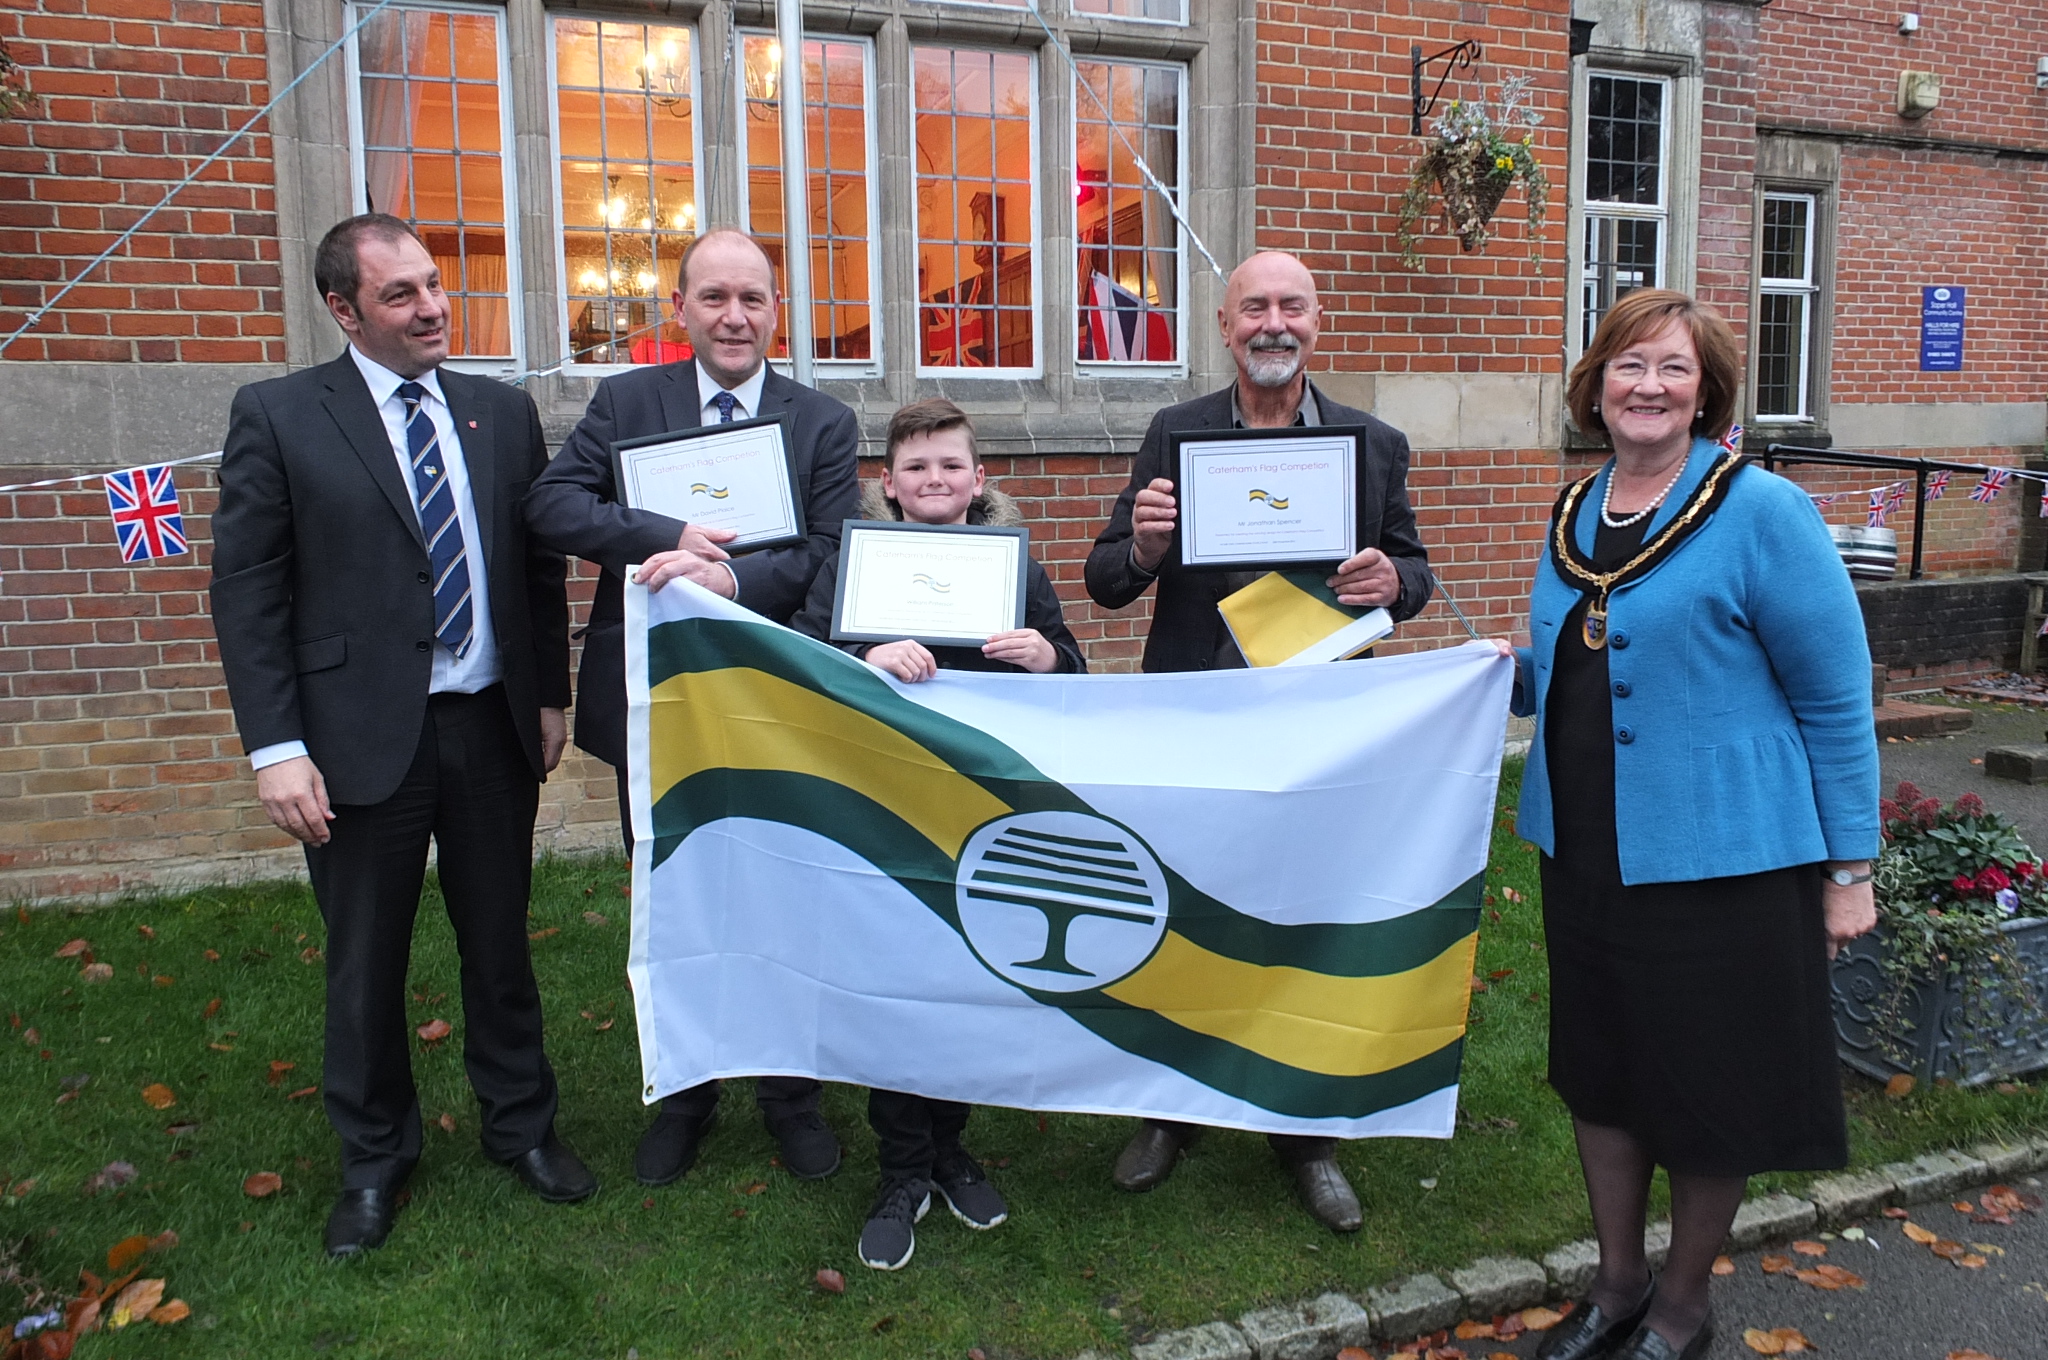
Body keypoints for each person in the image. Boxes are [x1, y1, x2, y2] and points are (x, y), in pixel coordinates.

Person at [210, 214, 592, 1258]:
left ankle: (522, 1127)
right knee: (365, 964)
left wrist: (547, 696)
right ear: (344, 311)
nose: (431, 307)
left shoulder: (499, 412)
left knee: (500, 944)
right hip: (352, 741)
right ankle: (376, 1159)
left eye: (433, 284)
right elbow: (247, 594)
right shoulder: (281, 416)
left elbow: (533, 566)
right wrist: (274, 747)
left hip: (487, 727)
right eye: (399, 295)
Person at [1506, 289, 1878, 1360]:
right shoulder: (1575, 507)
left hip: (1723, 858)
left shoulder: (1760, 511)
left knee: (1707, 1083)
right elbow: (1586, 659)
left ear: (1705, 389)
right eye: (1628, 365)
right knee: (1604, 1071)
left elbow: (1832, 695)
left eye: (1671, 368)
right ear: (1597, 384)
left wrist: (1847, 867)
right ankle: (1615, 1285)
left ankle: (1680, 1307)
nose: (1647, 386)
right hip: (1585, 854)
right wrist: (1503, 677)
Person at [1082, 249, 1435, 1233]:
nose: (1272, 322)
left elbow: (1412, 567)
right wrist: (1146, 546)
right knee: (1179, 914)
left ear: (1315, 320)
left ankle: (1304, 1132)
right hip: (1195, 724)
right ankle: (1171, 1109)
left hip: (1316, 733)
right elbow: (1105, 579)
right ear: (1224, 326)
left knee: (1303, 922)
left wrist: (1391, 586)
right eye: (1253, 308)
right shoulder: (1173, 433)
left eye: (1290, 305)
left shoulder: (1373, 445)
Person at [525, 227, 860, 1189]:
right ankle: (688, 1090)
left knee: (787, 888)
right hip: (657, 704)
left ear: (774, 312)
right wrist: (662, 534)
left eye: (752, 299)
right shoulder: (628, 400)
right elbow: (551, 506)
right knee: (674, 893)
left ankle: (791, 1093)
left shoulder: (821, 421)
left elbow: (832, 548)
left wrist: (724, 578)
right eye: (713, 297)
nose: (734, 316)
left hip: (775, 701)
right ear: (679, 308)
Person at [788, 398, 1083, 1269]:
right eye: (916, 468)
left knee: (966, 980)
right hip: (879, 808)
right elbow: (796, 660)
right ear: (889, 482)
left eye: (952, 466)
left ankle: (950, 1148)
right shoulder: (850, 559)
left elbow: (1076, 667)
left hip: (979, 815)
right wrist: (864, 657)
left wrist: (1047, 658)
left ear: (980, 479)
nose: (935, 481)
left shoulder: (1016, 565)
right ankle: (902, 1167)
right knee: (897, 978)